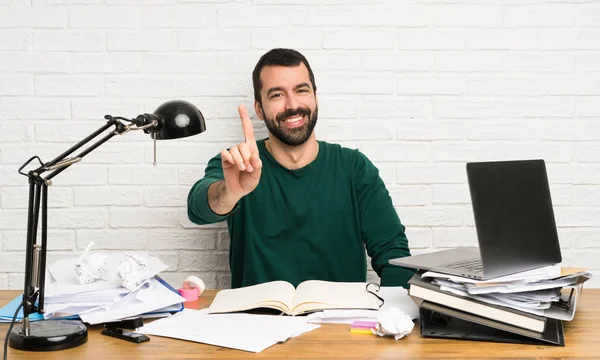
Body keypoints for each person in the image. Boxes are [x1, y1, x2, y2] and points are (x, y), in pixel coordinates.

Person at [187, 48, 414, 289]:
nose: (293, 105)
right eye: (276, 95)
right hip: (255, 320)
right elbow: (198, 209)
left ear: (315, 96)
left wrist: (395, 313)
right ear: (259, 109)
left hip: (340, 321)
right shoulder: (238, 164)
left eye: (301, 90)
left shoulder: (354, 167)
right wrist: (231, 192)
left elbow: (393, 253)